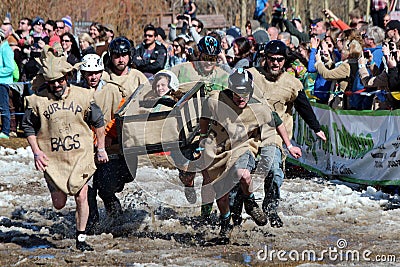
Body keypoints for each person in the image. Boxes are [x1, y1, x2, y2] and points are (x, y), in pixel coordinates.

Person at [21, 45, 109, 251]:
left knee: (82, 195)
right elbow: (26, 126)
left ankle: (81, 238)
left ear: (67, 78)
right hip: (53, 157)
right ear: (48, 82)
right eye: (53, 82)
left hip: (80, 154)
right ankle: (60, 196)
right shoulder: (38, 101)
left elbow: (99, 122)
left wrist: (101, 148)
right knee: (59, 203)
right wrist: (36, 151)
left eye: (61, 80)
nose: (58, 85)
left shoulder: (82, 96)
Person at [199, 68, 301, 237]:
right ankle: (225, 223)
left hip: (242, 146)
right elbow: (204, 118)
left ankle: (251, 202)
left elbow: (278, 122)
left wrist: (289, 146)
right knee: (221, 194)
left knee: (244, 174)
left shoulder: (259, 107)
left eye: (245, 93)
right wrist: (202, 139)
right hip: (217, 146)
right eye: (237, 93)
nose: (241, 98)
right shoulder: (215, 100)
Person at [246, 40, 326, 227]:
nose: (275, 63)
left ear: (285, 61)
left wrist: (316, 128)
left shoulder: (292, 83)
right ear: (265, 58)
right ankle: (244, 204)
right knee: (241, 170)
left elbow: (304, 107)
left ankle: (271, 207)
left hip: (275, 134)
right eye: (271, 59)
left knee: (273, 169)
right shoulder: (251, 75)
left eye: (280, 60)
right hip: (249, 133)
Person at [89, 37, 147, 223]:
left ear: (130, 56)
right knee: (93, 184)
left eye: (124, 55)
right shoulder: (102, 77)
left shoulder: (138, 77)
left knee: (110, 182)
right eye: (116, 56)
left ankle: (115, 215)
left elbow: (151, 100)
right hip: (98, 140)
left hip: (127, 143)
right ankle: (96, 220)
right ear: (110, 57)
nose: (120, 59)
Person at [0, 29, 13, 139]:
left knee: (4, 107)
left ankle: (5, 131)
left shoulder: (6, 49)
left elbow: (10, 68)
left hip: (3, 82)